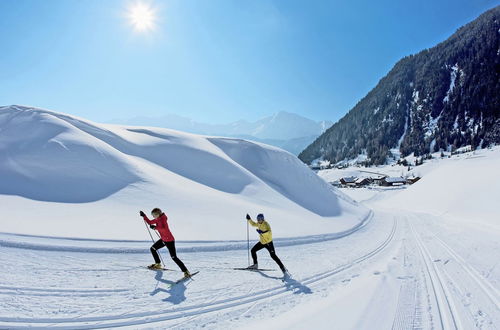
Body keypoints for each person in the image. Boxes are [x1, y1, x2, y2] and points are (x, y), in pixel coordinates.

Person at [140, 208, 191, 278]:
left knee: (174, 257)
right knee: (153, 248)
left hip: (169, 241)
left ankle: (186, 271)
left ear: (158, 214)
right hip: (164, 240)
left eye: (153, 215)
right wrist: (144, 216)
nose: (153, 217)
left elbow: (164, 228)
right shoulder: (157, 219)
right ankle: (158, 263)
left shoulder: (163, 219)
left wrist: (155, 228)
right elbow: (150, 222)